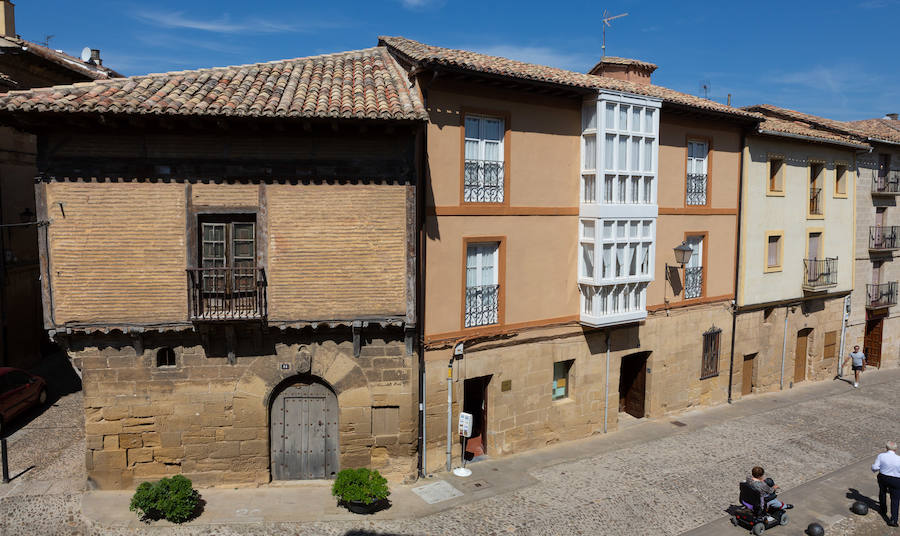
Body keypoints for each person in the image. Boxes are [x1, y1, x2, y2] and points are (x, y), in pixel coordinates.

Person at [872, 440, 900, 527]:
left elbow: (875, 467)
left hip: (883, 477)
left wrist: (873, 468)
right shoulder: (899, 459)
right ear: (896, 449)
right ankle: (893, 520)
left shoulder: (881, 456)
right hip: (896, 479)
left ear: (886, 448)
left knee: (882, 492)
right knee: (895, 499)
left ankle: (883, 509)